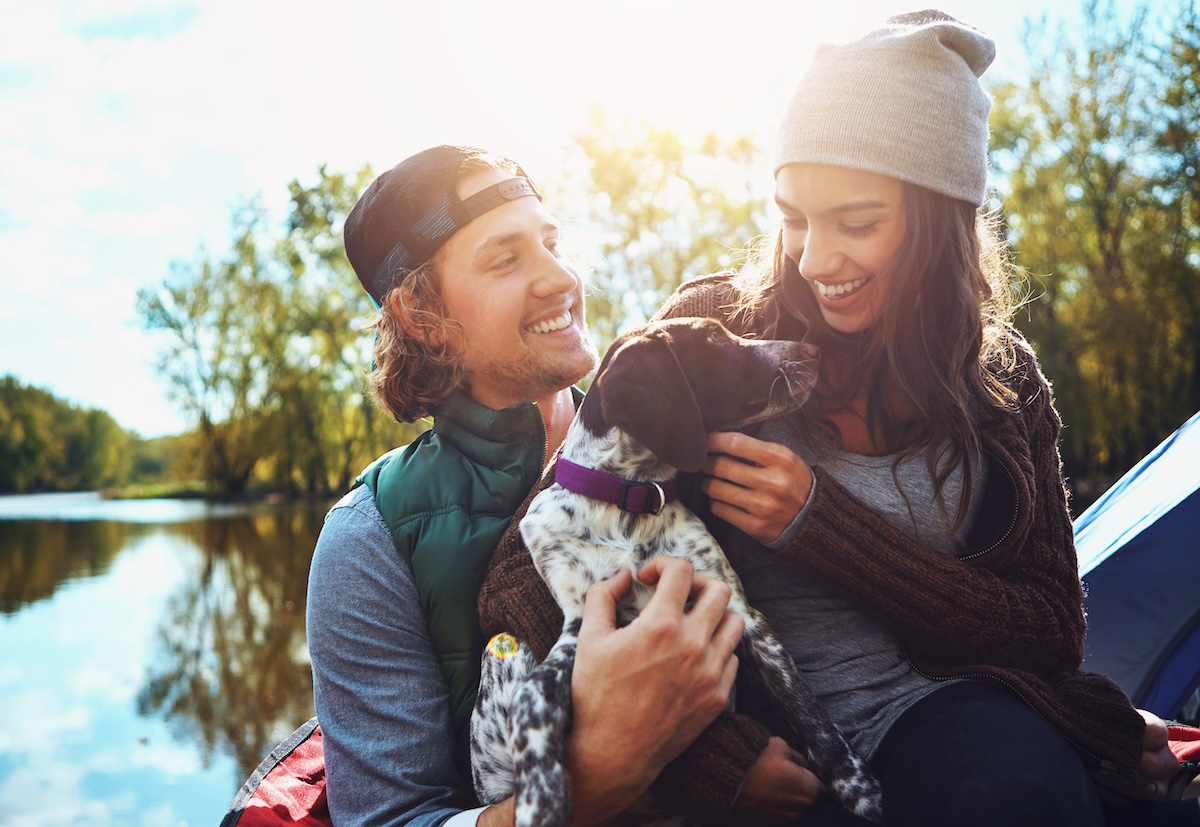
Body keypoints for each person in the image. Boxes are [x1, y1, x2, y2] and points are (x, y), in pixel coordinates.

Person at [478, 10, 1200, 826]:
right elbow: (521, 575)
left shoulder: (1002, 384)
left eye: (856, 222)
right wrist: (713, 765)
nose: (815, 258)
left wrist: (825, 526)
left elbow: (1048, 630)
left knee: (1014, 800)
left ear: (938, 219)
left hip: (955, 718)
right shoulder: (712, 335)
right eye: (793, 217)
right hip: (777, 744)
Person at [305, 145, 748, 826]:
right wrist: (596, 772)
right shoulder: (368, 540)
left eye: (550, 242)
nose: (561, 277)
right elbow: (391, 817)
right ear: (424, 316)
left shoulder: (680, 427)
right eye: (505, 258)